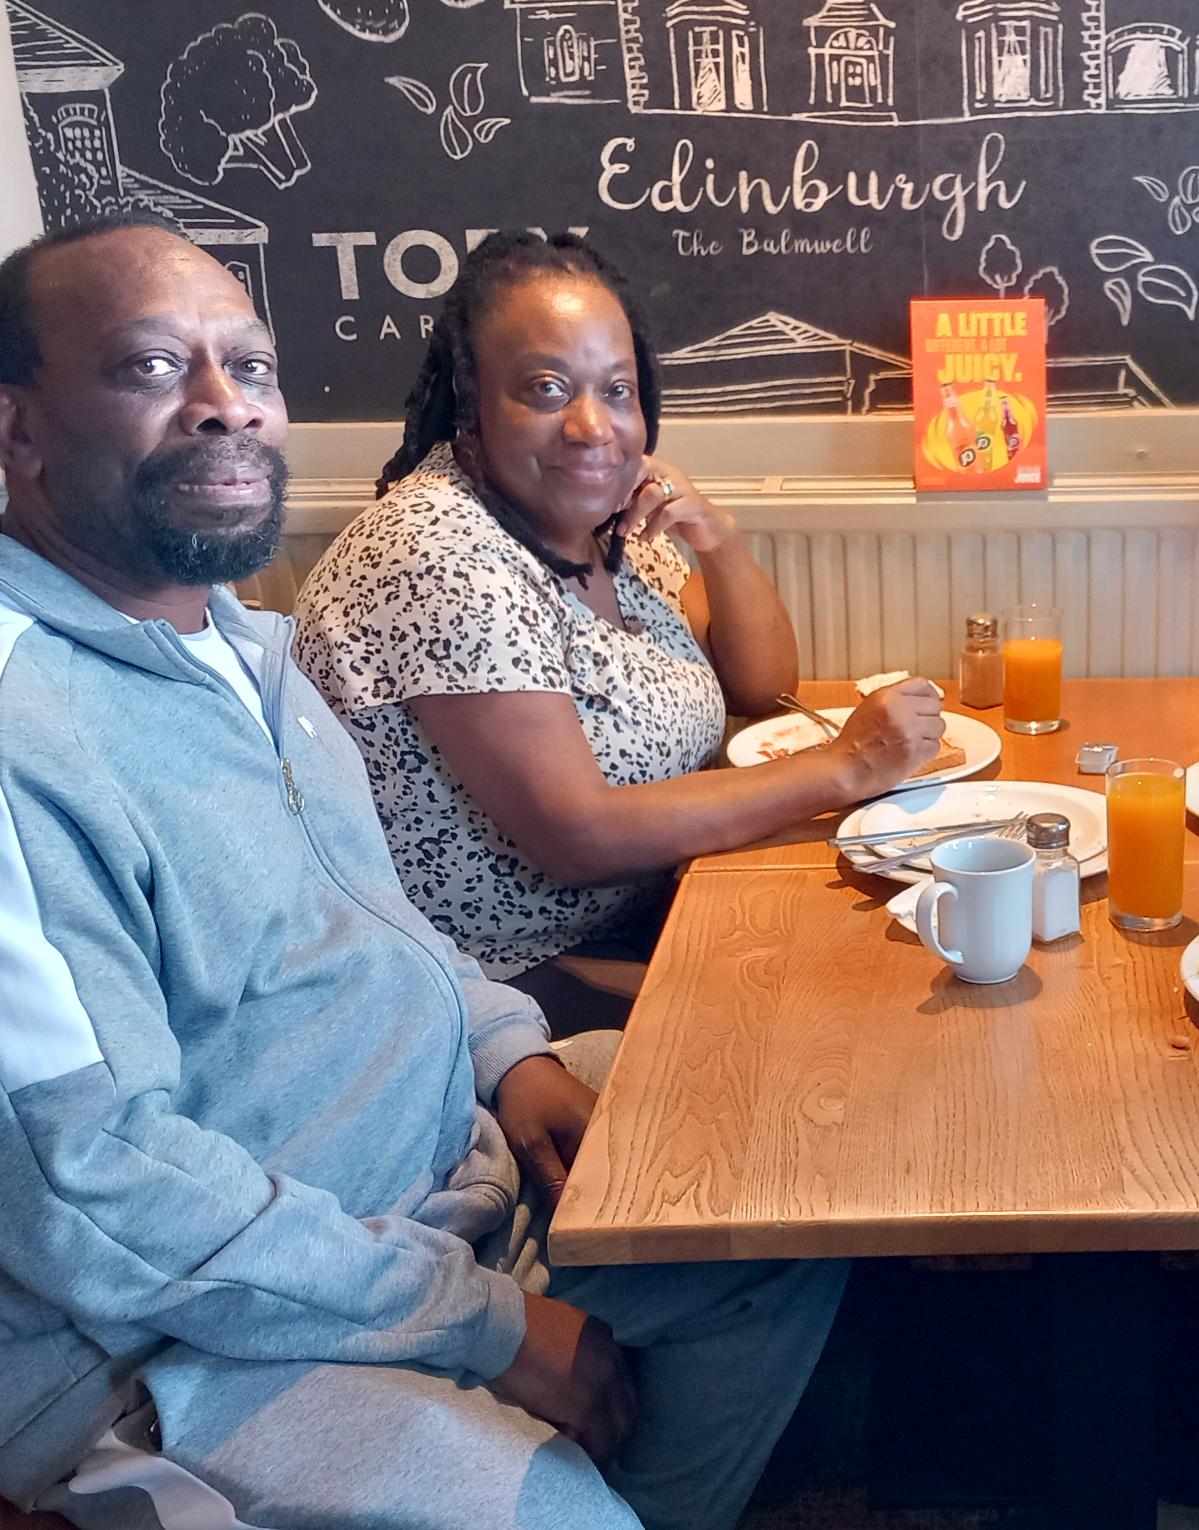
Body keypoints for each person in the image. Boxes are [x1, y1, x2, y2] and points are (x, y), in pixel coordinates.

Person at [0, 214, 844, 1530]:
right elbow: (99, 1191)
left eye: (251, 367)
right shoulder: (22, 725)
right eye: (152, 368)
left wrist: (512, 1052)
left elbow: (378, 916)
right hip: (171, 1350)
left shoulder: (241, 648)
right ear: (20, 428)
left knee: (771, 1215)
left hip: (427, 1188)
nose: (227, 407)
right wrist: (488, 1325)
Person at [293, 232, 943, 1018]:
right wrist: (849, 766)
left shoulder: (598, 523)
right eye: (544, 388)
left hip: (654, 909)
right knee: (844, 1013)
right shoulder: (437, 549)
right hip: (494, 983)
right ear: (470, 403)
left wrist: (721, 539)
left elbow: (765, 687)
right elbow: (578, 837)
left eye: (618, 390)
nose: (592, 426)